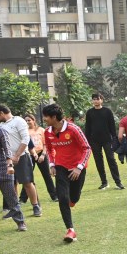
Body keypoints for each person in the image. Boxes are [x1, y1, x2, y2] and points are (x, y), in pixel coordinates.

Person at [44, 103, 91, 243]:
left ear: (54, 117)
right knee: (62, 197)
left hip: (77, 168)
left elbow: (87, 148)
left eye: (46, 116)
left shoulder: (73, 129)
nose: (44, 119)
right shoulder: (47, 132)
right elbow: (49, 149)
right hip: (61, 167)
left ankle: (72, 200)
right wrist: (52, 164)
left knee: (74, 197)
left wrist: (79, 167)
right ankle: (70, 230)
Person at [0, 104, 41, 217]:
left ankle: (36, 206)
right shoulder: (1, 125)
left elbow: (26, 139)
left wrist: (17, 155)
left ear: (1, 113)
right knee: (11, 184)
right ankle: (15, 208)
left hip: (22, 156)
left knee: (27, 182)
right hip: (7, 159)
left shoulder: (19, 121)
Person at [84, 93, 124, 191]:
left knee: (111, 160)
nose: (95, 101)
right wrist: (87, 141)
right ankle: (104, 182)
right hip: (94, 141)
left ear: (101, 100)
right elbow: (87, 127)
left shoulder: (107, 111)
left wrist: (114, 138)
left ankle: (118, 182)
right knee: (98, 161)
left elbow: (112, 126)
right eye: (94, 99)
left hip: (107, 140)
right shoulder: (89, 112)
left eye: (97, 99)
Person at [25, 113, 57, 203]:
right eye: (26, 121)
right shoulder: (25, 131)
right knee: (27, 177)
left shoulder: (41, 130)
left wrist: (43, 155)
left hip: (41, 154)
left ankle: (54, 196)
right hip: (29, 155)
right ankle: (23, 198)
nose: (27, 122)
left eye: (29, 120)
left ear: (33, 120)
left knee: (47, 176)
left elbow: (45, 144)